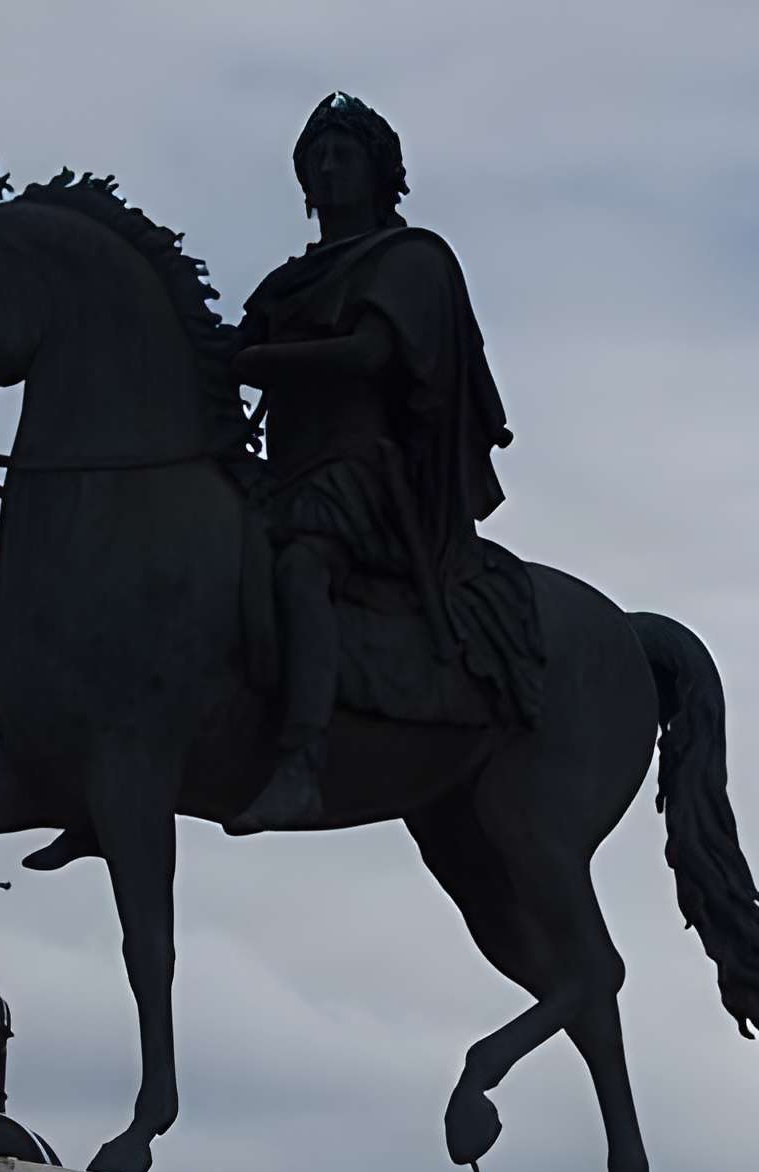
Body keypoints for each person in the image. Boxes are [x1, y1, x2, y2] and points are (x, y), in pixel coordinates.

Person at [228, 92, 534, 834]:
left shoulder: (409, 259)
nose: (329, 167)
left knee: (303, 567)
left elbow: (368, 355)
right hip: (284, 468)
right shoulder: (286, 282)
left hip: (363, 471)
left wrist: (259, 360)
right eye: (317, 158)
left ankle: (302, 763)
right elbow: (225, 358)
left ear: (378, 171)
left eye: (344, 154)